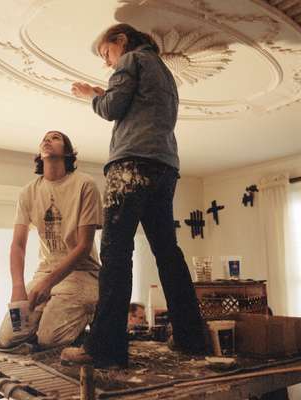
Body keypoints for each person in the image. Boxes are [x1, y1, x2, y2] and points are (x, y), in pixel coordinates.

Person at [61, 23, 206, 368]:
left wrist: (91, 97)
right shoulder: (165, 73)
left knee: (115, 253)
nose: (107, 62)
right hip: (164, 167)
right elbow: (133, 105)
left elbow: (112, 109)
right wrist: (106, 91)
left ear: (121, 41)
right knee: (168, 253)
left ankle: (104, 348)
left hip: (131, 167)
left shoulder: (131, 60)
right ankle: (190, 338)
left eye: (106, 53)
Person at [0, 130, 102, 349]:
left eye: (55, 138)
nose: (47, 140)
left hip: (81, 274)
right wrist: (18, 286)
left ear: (67, 152)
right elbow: (18, 244)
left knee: (48, 339)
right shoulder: (28, 192)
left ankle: (88, 310)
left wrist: (48, 284)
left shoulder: (85, 184)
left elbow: (83, 246)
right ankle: (48, 310)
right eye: (44, 138)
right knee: (9, 337)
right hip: (45, 272)